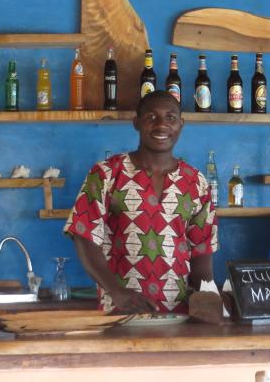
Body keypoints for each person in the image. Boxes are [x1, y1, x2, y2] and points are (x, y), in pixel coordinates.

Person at [65, 90, 218, 314]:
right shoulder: (106, 173)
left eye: (171, 118)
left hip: (180, 316)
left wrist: (207, 300)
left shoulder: (196, 182)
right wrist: (115, 290)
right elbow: (83, 235)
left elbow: (202, 253)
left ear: (181, 124)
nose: (161, 125)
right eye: (151, 117)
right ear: (136, 123)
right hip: (120, 312)